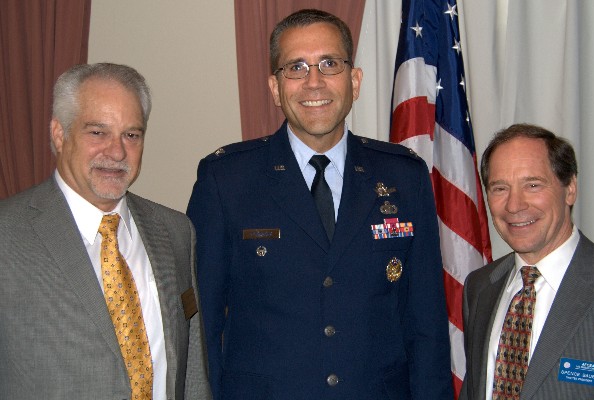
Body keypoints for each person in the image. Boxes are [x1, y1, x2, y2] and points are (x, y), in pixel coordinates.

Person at [187, 9, 453, 400]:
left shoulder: (404, 178)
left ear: (354, 80)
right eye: (296, 67)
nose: (314, 82)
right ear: (275, 88)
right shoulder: (226, 181)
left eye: (329, 64)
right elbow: (201, 329)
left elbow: (426, 325)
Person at [0, 63, 212, 400]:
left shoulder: (175, 232)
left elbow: (192, 376)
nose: (116, 152)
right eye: (97, 132)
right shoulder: (7, 235)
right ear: (59, 134)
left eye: (132, 134)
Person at [460, 123, 594, 400]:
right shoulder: (479, 288)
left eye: (533, 185)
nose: (514, 205)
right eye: (500, 188)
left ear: (570, 188)